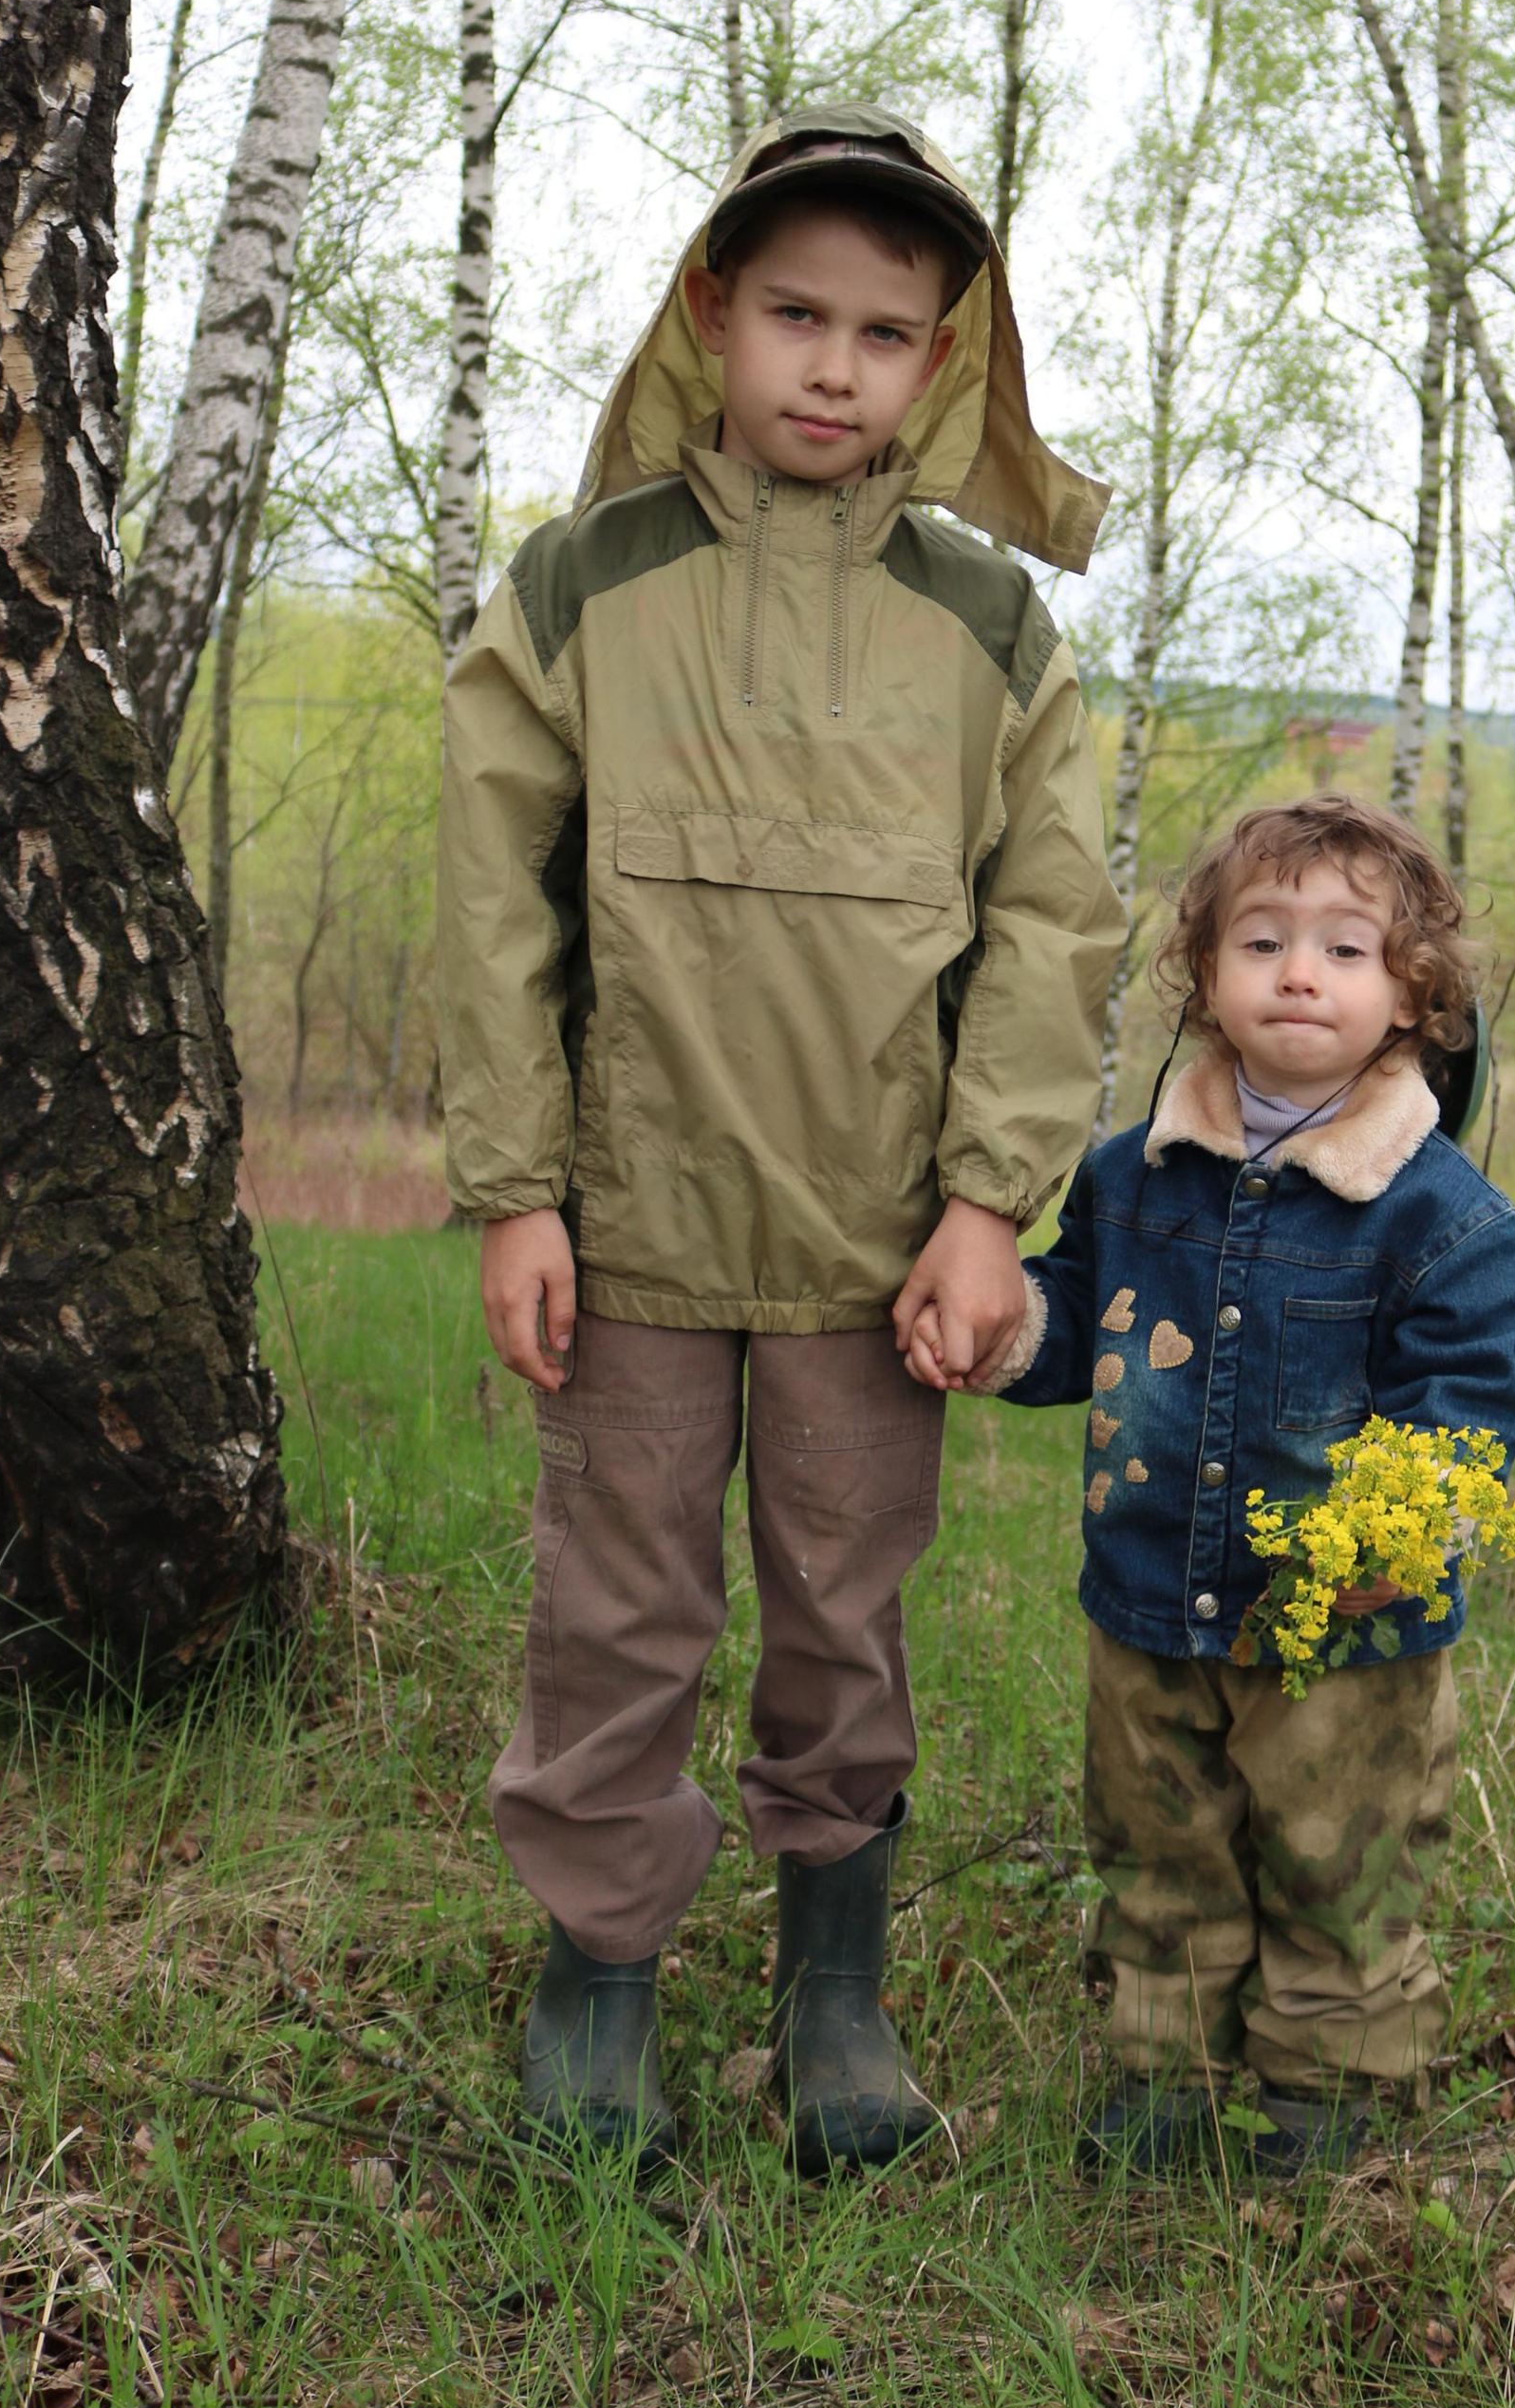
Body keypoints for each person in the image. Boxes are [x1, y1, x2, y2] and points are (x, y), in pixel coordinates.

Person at [438, 104, 1125, 2175]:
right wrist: (516, 1190)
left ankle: (835, 1998)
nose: (835, 367)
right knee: (616, 1622)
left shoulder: (989, 631)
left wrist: (993, 1205)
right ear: (710, 316)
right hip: (632, 1228)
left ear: (947, 365)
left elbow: (1053, 924)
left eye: (890, 332)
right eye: (797, 316)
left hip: (874, 1250)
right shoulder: (580, 587)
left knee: (840, 1621)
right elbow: (496, 900)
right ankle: (599, 1989)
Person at [969, 794, 1515, 2178]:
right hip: (1148, 1594)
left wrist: (1392, 1536)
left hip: (1339, 1631)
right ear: (1206, 978)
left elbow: (1469, 1417)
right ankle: (1165, 2068)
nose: (1301, 971)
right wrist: (1003, 1331)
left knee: (1336, 1853)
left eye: (1348, 951)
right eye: (1265, 940)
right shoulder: (1133, 1178)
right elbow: (1077, 1322)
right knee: (1156, 1837)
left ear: (1415, 1002)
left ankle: (1335, 2087)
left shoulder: (1444, 1219)